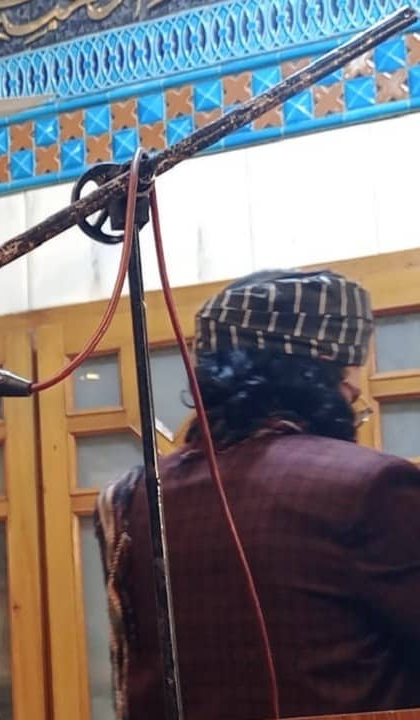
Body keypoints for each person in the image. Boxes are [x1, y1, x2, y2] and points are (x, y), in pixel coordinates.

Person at [96, 269, 420, 720]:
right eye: (347, 384)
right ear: (315, 377)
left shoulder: (128, 497)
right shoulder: (373, 485)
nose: (354, 399)